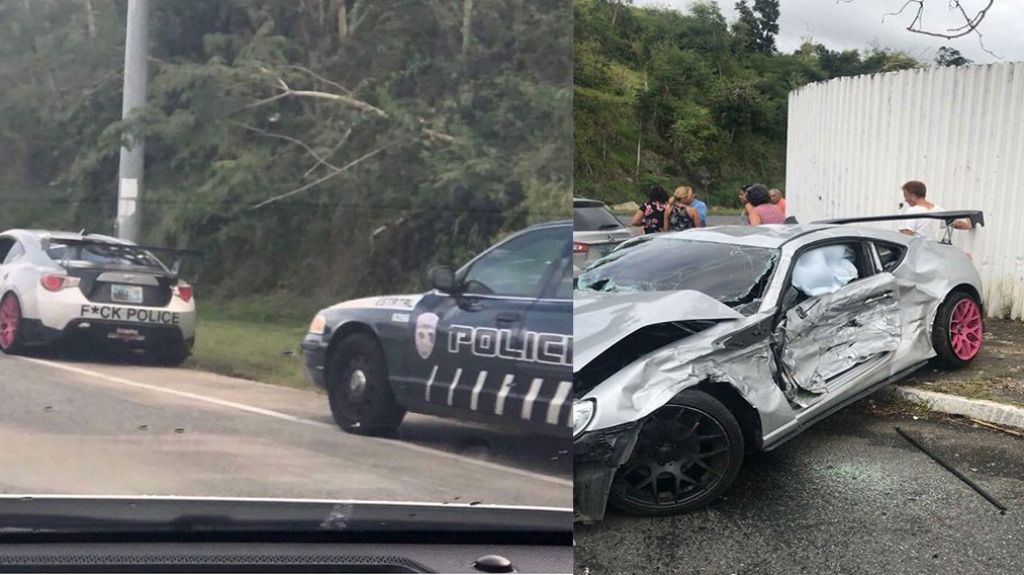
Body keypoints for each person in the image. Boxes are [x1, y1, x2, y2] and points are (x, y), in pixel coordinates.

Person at [898, 180, 972, 239]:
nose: (905, 200)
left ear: (913, 195)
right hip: (932, 251)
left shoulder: (913, 211)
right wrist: (970, 220)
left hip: (916, 252)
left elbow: (906, 236)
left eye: (906, 196)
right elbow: (958, 224)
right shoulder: (937, 210)